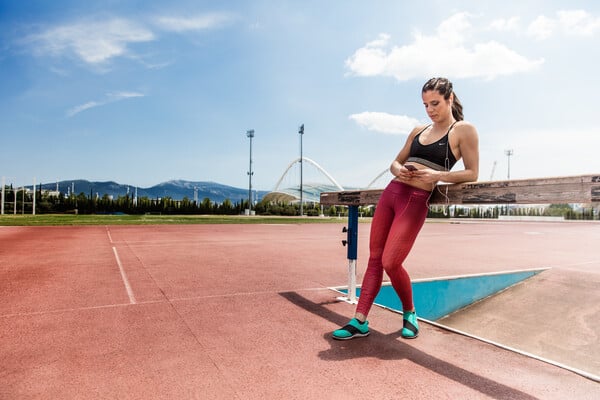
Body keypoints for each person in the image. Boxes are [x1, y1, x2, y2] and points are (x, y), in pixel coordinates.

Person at [333, 77, 479, 340]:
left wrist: (436, 176)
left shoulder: (463, 130)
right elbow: (394, 163)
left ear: (450, 98)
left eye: (435, 103)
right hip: (392, 193)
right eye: (425, 105)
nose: (430, 110)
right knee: (375, 258)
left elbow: (472, 173)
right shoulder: (417, 131)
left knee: (391, 261)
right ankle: (360, 320)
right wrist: (401, 170)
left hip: (415, 200)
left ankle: (410, 312)